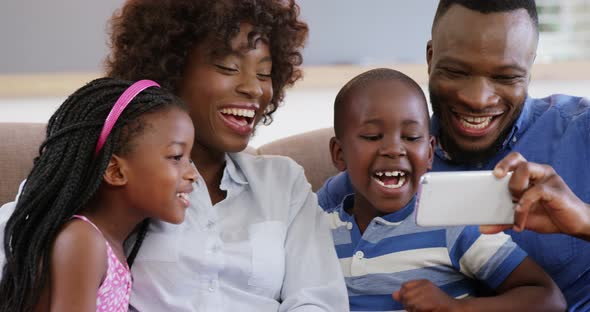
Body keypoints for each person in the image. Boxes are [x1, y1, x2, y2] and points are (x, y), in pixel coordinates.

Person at [317, 1, 590, 310]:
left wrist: (583, 220)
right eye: (456, 72)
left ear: (530, 66)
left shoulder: (581, 129)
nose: (478, 99)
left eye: (506, 77)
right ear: (431, 58)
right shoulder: (382, 176)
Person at [104, 0, 347, 311]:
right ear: (171, 69)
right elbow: (37, 225)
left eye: (264, 73)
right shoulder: (121, 174)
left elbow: (318, 300)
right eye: (228, 67)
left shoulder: (283, 182)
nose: (254, 89)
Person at [324, 67, 565, 312]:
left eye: (410, 137)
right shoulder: (314, 230)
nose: (394, 149)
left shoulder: (454, 224)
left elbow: (548, 299)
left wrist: (456, 308)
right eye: (373, 136)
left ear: (429, 153)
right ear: (339, 153)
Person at [0, 77, 199, 311]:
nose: (193, 173)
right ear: (115, 171)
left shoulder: (103, 243)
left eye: (190, 158)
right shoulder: (83, 240)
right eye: (176, 157)